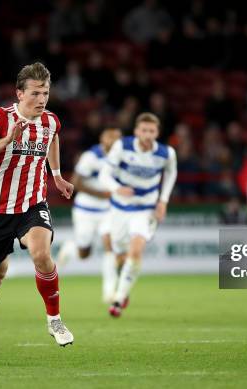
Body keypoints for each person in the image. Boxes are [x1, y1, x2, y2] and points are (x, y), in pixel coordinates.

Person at [0, 62, 75, 355]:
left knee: (41, 253)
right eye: (36, 93)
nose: (42, 99)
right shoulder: (0, 118)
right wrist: (7, 140)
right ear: (19, 93)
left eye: (46, 93)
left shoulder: (51, 121)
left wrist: (57, 175)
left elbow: (53, 138)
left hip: (32, 204)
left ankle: (54, 319)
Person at [98, 112, 177, 317]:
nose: (147, 134)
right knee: (121, 257)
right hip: (120, 209)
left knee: (136, 251)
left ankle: (118, 298)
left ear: (157, 132)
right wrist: (117, 188)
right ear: (136, 131)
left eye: (151, 131)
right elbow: (104, 174)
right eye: (144, 130)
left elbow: (171, 173)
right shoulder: (122, 146)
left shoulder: (166, 153)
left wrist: (163, 200)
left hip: (145, 209)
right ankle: (122, 279)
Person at [56, 127, 122, 304]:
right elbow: (76, 183)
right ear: (102, 139)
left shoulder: (121, 157)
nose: (113, 142)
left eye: (117, 139)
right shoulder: (90, 157)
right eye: (110, 138)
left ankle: (109, 292)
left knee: (110, 246)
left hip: (108, 210)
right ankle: (71, 248)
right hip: (86, 210)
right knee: (84, 253)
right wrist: (102, 195)